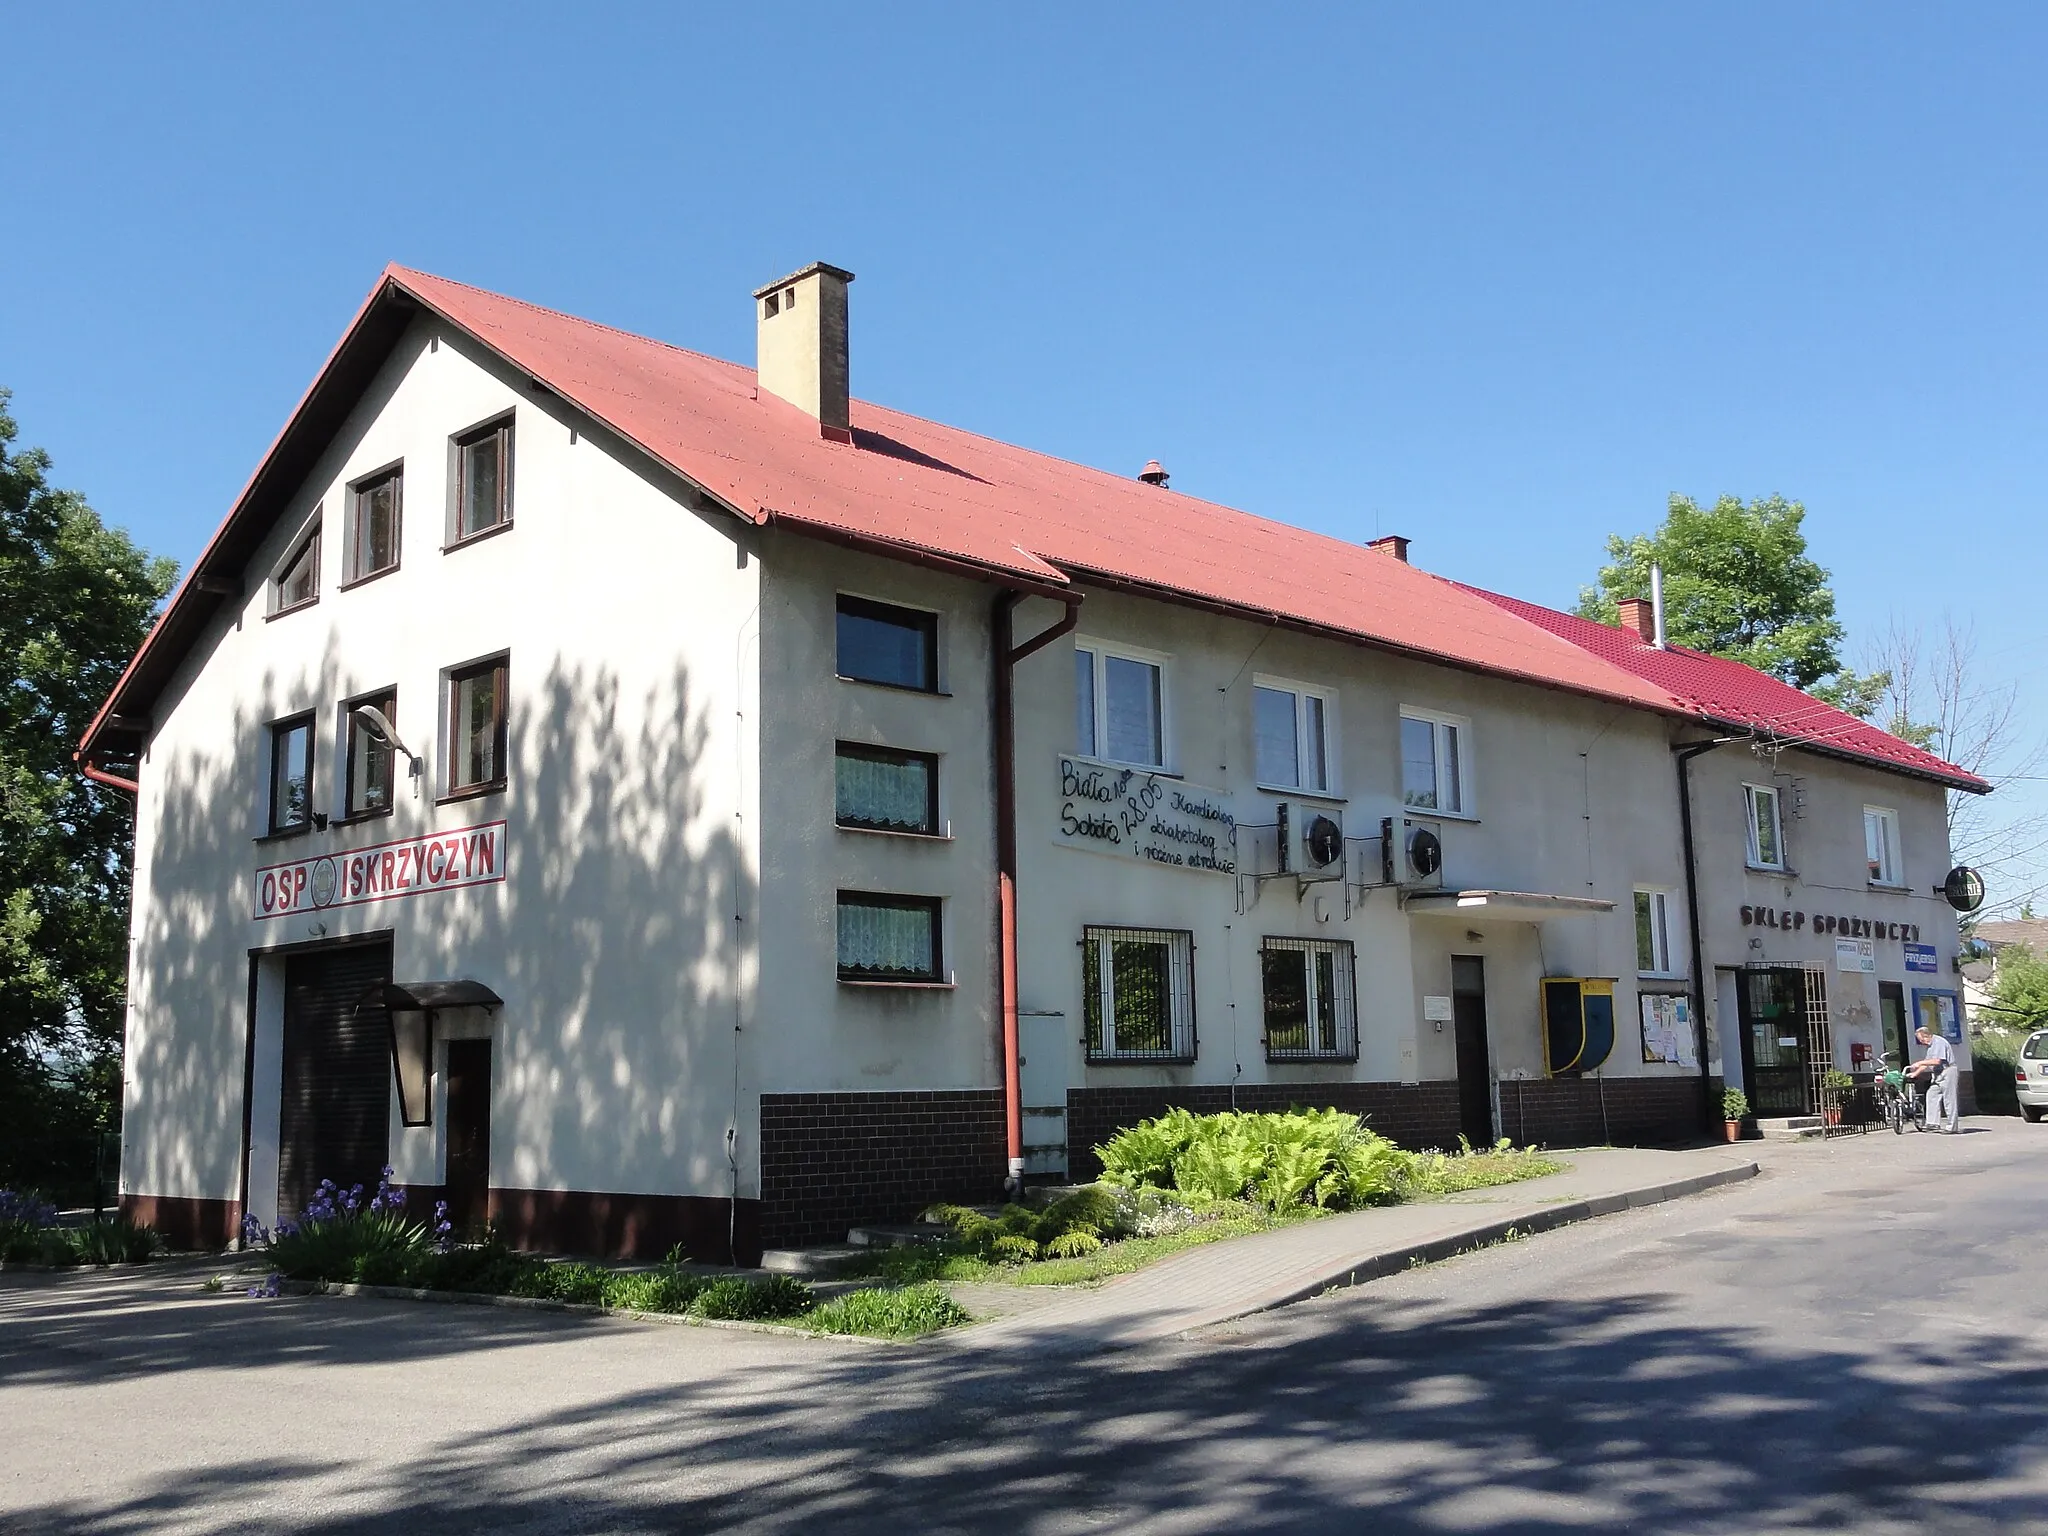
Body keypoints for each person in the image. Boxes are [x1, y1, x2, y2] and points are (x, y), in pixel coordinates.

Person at [1904, 1022, 1960, 1132]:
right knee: (1931, 1095)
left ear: (1926, 1035)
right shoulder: (1930, 1046)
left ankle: (1951, 1127)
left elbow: (1937, 1060)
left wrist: (1919, 1063)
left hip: (1947, 1072)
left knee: (1949, 1100)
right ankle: (1933, 1123)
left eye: (1921, 1039)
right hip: (1938, 1074)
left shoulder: (1938, 1042)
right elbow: (1927, 1063)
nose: (1921, 1042)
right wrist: (1915, 1073)